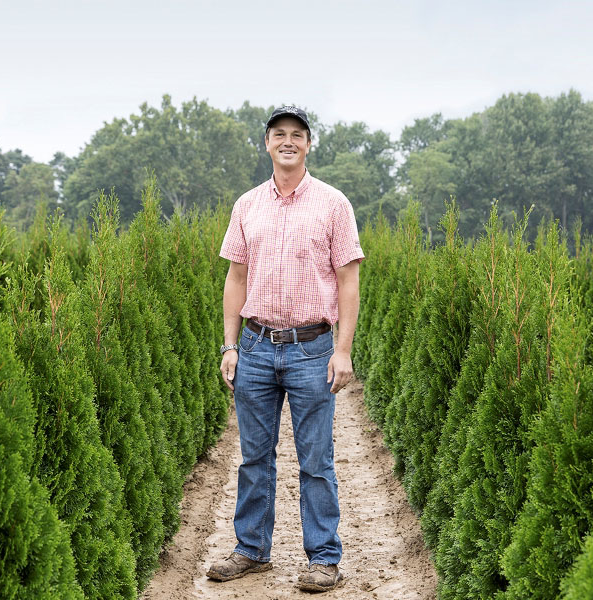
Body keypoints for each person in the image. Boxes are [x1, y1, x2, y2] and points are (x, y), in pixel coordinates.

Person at [206, 106, 364, 593]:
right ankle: (251, 549)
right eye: (280, 134)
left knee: (316, 460)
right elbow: (235, 277)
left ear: (309, 145)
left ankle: (324, 558)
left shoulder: (333, 204)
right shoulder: (247, 205)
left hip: (312, 347)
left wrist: (343, 350)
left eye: (298, 134)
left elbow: (348, 280)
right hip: (254, 346)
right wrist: (230, 345)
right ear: (268, 144)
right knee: (255, 457)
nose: (288, 141)